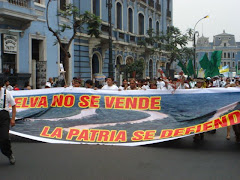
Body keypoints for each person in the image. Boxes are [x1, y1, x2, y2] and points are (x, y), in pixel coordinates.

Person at [0, 81, 16, 165]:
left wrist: (13, 119)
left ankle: (9, 154)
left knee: (4, 138)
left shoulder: (7, 93)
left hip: (4, 116)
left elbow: (13, 105)